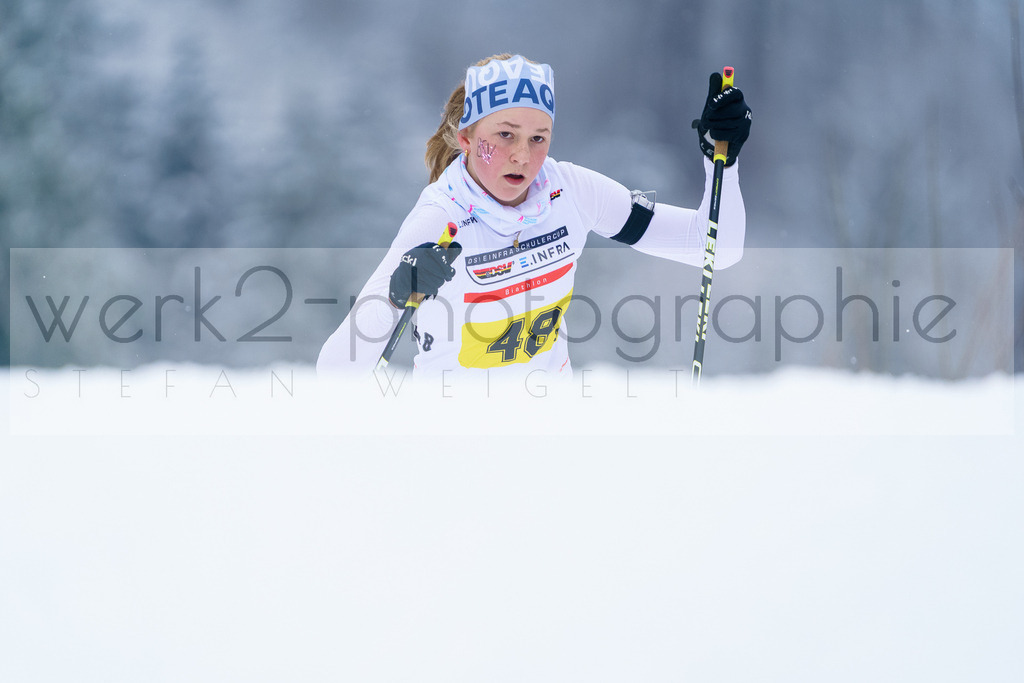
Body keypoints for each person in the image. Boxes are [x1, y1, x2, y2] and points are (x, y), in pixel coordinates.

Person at [317, 53, 751, 382]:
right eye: (504, 135)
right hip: (451, 450)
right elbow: (334, 374)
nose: (523, 156)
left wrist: (722, 161)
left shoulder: (572, 192)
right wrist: (396, 297)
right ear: (467, 138)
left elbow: (716, 248)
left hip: (549, 442)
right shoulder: (439, 218)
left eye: (538, 137)